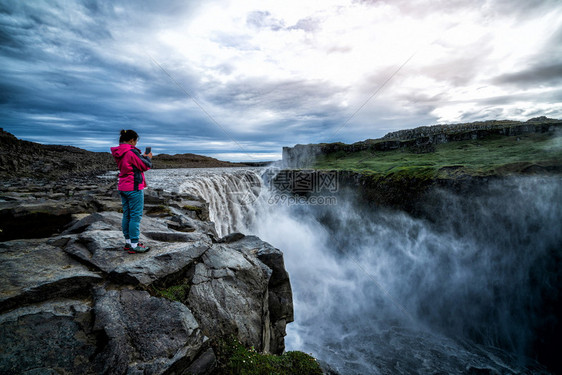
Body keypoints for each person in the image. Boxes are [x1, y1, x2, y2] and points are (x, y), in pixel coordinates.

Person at [110, 129, 153, 253]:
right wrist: (148, 158)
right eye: (135, 141)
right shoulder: (131, 151)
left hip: (123, 186)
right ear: (131, 140)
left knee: (127, 215)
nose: (135, 144)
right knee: (135, 216)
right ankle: (135, 245)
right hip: (134, 187)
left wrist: (142, 157)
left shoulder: (119, 151)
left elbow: (133, 163)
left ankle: (128, 242)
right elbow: (145, 166)